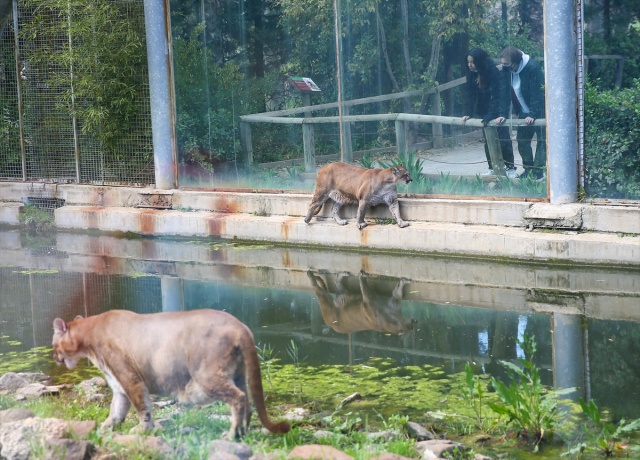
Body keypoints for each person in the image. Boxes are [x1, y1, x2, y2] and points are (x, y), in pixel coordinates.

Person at [461, 47, 516, 178]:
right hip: (484, 110)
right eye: (468, 62)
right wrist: (468, 112)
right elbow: (470, 93)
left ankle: (510, 168)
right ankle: (492, 167)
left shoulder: (492, 71)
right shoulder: (472, 73)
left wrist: (492, 115)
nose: (470, 65)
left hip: (497, 110)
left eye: (472, 62)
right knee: (488, 140)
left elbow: (497, 96)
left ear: (479, 61)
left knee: (503, 139)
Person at [499, 46, 546, 181]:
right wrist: (503, 113)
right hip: (523, 112)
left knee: (542, 141)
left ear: (515, 62)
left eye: (506, 64)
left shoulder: (532, 68)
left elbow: (537, 92)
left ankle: (539, 171)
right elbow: (504, 93)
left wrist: (533, 113)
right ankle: (529, 169)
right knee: (522, 141)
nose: (504, 66)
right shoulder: (507, 71)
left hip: (540, 111)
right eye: (502, 63)